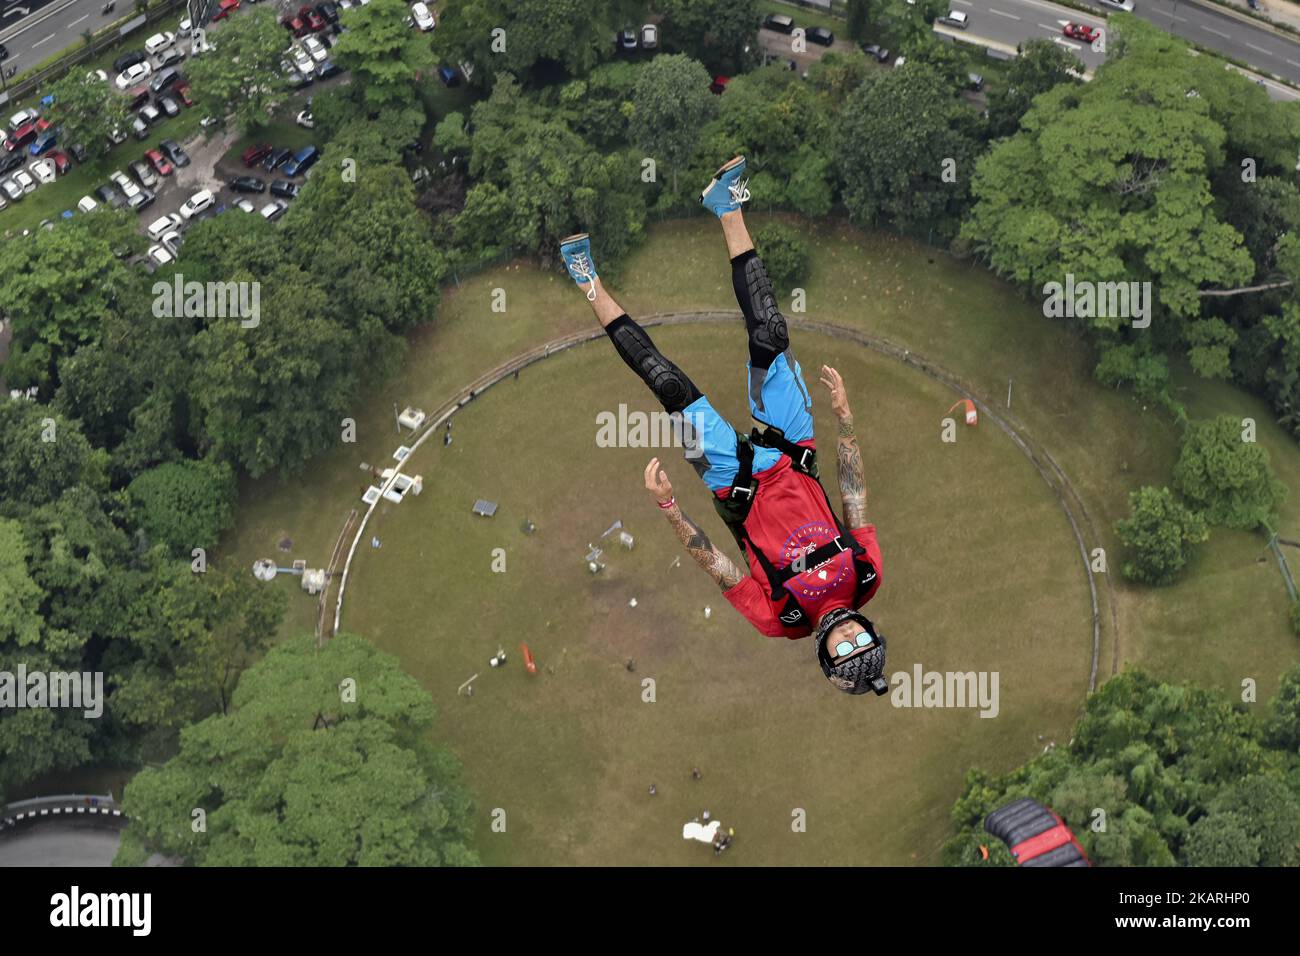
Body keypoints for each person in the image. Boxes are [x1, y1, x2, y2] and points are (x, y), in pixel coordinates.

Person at [559, 156, 887, 696]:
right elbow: (854, 500)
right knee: (770, 331)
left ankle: (587, 280)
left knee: (667, 384)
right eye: (861, 641)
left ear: (826, 657)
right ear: (870, 631)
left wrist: (669, 509)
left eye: (843, 651)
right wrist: (844, 419)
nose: (848, 635)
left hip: (735, 484)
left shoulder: (780, 619)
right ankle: (726, 205)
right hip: (794, 450)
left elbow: (716, 565)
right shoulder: (866, 575)